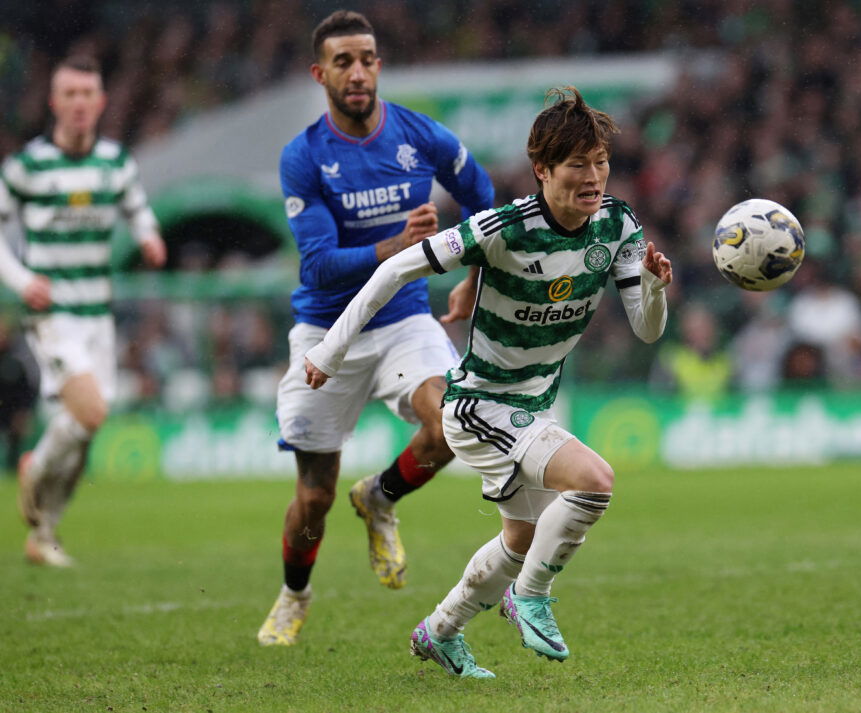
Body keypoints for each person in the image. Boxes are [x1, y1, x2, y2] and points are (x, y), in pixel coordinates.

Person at [305, 87, 672, 678]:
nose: (593, 177)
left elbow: (648, 330)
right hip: (479, 405)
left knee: (522, 539)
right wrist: (330, 348)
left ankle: (439, 632)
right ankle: (530, 598)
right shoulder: (503, 228)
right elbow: (397, 268)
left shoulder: (618, 224)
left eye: (601, 162)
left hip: (533, 404)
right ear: (542, 169)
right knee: (594, 482)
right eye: (577, 164)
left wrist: (653, 288)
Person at [257, 10, 494, 646]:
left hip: (402, 319)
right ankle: (294, 594)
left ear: (379, 66)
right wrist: (397, 245)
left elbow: (483, 199)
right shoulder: (304, 156)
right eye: (343, 62)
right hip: (326, 330)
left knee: (452, 422)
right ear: (320, 74)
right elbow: (318, 264)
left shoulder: (421, 135)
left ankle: (381, 498)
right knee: (314, 497)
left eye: (366, 59)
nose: (357, 72)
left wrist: (471, 275)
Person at [0, 55, 166, 566]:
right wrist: (23, 281)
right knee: (90, 411)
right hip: (52, 312)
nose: (78, 103)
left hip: (99, 313)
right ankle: (34, 468)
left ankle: (43, 534)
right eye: (69, 94)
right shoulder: (28, 167)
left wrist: (150, 237)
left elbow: (139, 211)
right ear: (54, 102)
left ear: (101, 102)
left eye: (86, 94)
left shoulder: (115, 162)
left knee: (86, 433)